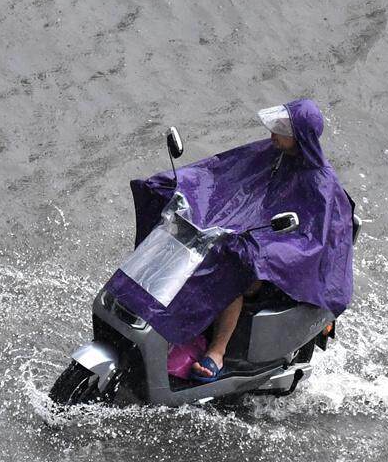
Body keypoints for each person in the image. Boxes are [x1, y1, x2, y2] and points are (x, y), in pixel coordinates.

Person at [109, 97, 354, 382]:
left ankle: (217, 352)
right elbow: (217, 173)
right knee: (183, 242)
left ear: (300, 137)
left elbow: (311, 240)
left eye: (282, 131)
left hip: (292, 265)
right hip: (248, 236)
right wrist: (177, 185)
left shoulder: (320, 182)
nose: (273, 134)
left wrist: (261, 250)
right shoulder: (271, 152)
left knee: (230, 269)